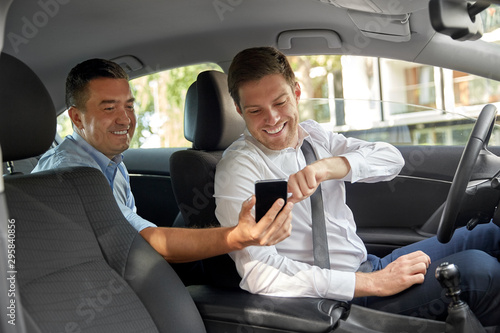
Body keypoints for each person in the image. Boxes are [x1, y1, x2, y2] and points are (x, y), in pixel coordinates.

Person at [214, 46, 500, 326]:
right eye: (255, 111)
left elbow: (391, 158)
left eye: (280, 103)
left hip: (369, 265)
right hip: (334, 299)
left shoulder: (314, 137)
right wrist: (370, 283)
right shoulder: (239, 169)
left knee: (492, 233)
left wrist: (329, 166)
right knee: (480, 272)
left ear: (297, 93)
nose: (273, 119)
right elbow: (260, 273)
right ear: (239, 110)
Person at [32, 58, 293, 264]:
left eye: (130, 106)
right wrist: (237, 236)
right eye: (109, 108)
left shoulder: (111, 161)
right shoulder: (72, 174)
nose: (125, 120)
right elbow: (146, 242)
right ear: (77, 118)